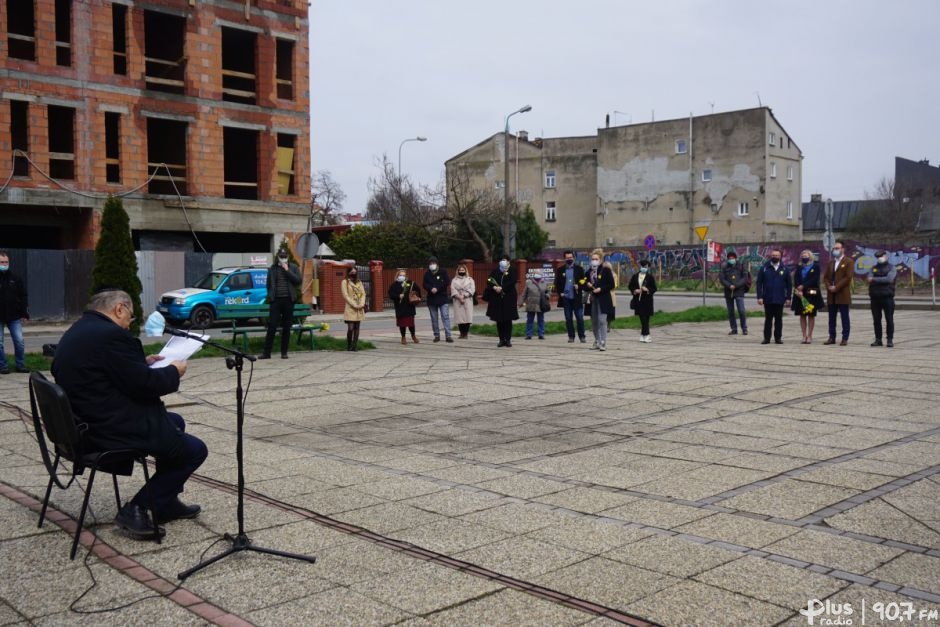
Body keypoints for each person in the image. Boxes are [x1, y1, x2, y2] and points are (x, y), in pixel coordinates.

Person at [52, 289, 207, 538]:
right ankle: (138, 508)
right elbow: (146, 387)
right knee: (195, 451)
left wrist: (140, 363)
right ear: (120, 309)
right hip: (106, 429)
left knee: (175, 421)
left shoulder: (80, 330)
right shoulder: (112, 336)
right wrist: (173, 372)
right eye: (130, 317)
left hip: (82, 423)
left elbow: (106, 371)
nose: (128, 324)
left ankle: (164, 501)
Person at [260, 247, 301, 360]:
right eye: (281, 257)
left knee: (286, 327)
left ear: (287, 257)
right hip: (276, 301)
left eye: (284, 256)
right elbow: (268, 285)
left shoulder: (293, 267)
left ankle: (284, 352)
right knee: (272, 326)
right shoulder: (272, 269)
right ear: (278, 257)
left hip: (288, 300)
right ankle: (266, 353)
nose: (283, 258)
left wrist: (287, 270)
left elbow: (298, 281)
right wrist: (271, 296)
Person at [0, 250, 29, 374]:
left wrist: (24, 313)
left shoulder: (15, 278)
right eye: (1, 262)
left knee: (19, 341)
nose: (4, 264)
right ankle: (3, 366)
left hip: (14, 316)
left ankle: (20, 365)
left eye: (6, 262)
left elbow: (23, 296)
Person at [755, 248, 792, 344]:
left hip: (780, 298)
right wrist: (759, 297)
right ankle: (766, 338)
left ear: (780, 257)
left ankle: (778, 338)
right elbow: (759, 283)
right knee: (768, 319)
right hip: (767, 298)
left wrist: (788, 298)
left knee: (779, 319)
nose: (774, 257)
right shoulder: (764, 268)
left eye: (777, 255)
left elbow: (789, 285)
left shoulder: (785, 269)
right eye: (773, 255)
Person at [823, 239, 853, 346]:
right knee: (831, 318)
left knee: (844, 317)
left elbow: (848, 277)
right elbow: (825, 277)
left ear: (843, 249)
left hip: (842, 294)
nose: (835, 250)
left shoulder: (848, 261)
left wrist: (837, 287)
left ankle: (845, 338)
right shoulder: (831, 262)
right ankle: (832, 337)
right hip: (831, 295)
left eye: (837, 248)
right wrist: (829, 287)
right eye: (834, 248)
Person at [484, 256, 518, 347]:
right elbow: (489, 280)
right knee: (499, 320)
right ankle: (501, 339)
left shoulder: (512, 270)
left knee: (507, 320)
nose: (503, 262)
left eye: (505, 260)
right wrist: (494, 287)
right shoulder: (495, 271)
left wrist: (502, 288)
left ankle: (508, 339)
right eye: (502, 260)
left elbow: (513, 281)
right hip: (497, 298)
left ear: (508, 261)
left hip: (508, 298)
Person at [792, 250, 825, 344]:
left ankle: (810, 335)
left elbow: (815, 279)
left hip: (811, 294)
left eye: (806, 255)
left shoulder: (815, 267)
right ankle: (804, 336)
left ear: (810, 257)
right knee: (802, 315)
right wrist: (798, 289)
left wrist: (804, 286)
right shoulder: (799, 267)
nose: (804, 257)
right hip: (800, 294)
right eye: (802, 255)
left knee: (811, 315)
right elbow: (796, 279)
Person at [585, 249, 615, 351]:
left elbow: (611, 285)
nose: (594, 261)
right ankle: (597, 341)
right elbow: (584, 285)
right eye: (593, 259)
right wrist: (587, 285)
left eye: (596, 259)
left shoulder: (606, 270)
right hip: (592, 299)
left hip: (604, 299)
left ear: (601, 260)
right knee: (594, 322)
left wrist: (601, 289)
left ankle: (603, 342)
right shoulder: (588, 271)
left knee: (602, 320)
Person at [554, 250, 586, 343]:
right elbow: (557, 283)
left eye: (571, 257)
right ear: (565, 258)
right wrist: (560, 293)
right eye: (567, 258)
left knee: (579, 318)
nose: (569, 259)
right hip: (566, 298)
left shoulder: (579, 269)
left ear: (573, 258)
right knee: (568, 318)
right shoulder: (560, 270)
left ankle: (582, 336)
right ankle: (571, 336)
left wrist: (579, 286)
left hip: (576, 298)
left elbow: (583, 282)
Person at [867, 250, 896, 347]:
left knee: (889, 319)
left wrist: (875, 279)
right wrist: (881, 279)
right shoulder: (873, 268)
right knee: (876, 320)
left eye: (881, 256)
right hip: (875, 297)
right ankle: (878, 339)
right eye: (877, 256)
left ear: (886, 256)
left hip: (887, 297)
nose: (879, 258)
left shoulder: (891, 267)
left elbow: (889, 279)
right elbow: (868, 278)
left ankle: (890, 339)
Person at [718, 251, 749, 336]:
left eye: (733, 258)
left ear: (736, 258)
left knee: (741, 311)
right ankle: (734, 329)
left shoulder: (741, 266)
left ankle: (744, 328)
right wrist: (729, 285)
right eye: (729, 258)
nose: (731, 260)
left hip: (739, 291)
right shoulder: (724, 268)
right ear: (727, 259)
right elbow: (722, 279)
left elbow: (745, 278)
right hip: (728, 292)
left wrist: (736, 285)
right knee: (731, 312)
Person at [423, 257, 453, 343]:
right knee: (434, 318)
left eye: (433, 263)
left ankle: (448, 335)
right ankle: (436, 335)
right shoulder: (427, 273)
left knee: (445, 316)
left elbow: (447, 281)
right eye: (430, 263)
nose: (432, 265)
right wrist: (430, 288)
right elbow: (424, 284)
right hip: (432, 299)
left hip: (442, 298)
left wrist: (437, 288)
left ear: (437, 264)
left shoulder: (443, 271)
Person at [388, 270, 421, 345]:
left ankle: (413, 336)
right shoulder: (394, 285)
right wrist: (398, 296)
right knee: (402, 324)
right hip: (400, 307)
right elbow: (391, 294)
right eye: (400, 275)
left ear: (406, 276)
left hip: (409, 306)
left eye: (403, 275)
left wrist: (416, 295)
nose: (402, 276)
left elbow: (418, 290)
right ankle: (403, 337)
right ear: (397, 276)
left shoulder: (410, 283)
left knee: (411, 323)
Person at [628, 259, 657, 343]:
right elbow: (630, 286)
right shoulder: (635, 276)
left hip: (647, 301)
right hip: (638, 300)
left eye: (646, 266)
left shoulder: (650, 277)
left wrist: (647, 289)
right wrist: (635, 290)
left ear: (648, 267)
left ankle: (644, 335)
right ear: (640, 267)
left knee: (646, 318)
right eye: (643, 266)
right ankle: (646, 334)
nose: (644, 268)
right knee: (642, 318)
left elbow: (654, 288)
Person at [341, 266, 366, 351]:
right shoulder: (345, 282)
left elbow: (363, 294)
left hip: (359, 307)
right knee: (350, 328)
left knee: (357, 327)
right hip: (350, 307)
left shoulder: (359, 282)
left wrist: (362, 303)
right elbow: (345, 296)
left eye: (355, 272)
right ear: (348, 272)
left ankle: (354, 346)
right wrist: (354, 304)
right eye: (351, 272)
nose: (353, 273)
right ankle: (349, 344)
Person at [450, 263, 476, 339]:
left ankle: (466, 333)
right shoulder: (454, 280)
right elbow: (452, 289)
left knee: (467, 317)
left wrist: (464, 296)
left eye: (463, 270)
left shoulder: (470, 279)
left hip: (467, 300)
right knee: (459, 317)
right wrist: (459, 297)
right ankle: (461, 333)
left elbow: (472, 289)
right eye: (460, 270)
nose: (461, 271)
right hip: (458, 300)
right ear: (457, 271)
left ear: (465, 270)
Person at [519, 272, 548, 340]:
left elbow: (548, 291)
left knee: (541, 320)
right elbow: (524, 293)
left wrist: (547, 296)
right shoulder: (529, 282)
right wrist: (521, 302)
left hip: (540, 304)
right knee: (530, 320)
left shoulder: (544, 282)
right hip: (531, 304)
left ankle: (541, 334)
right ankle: (528, 334)